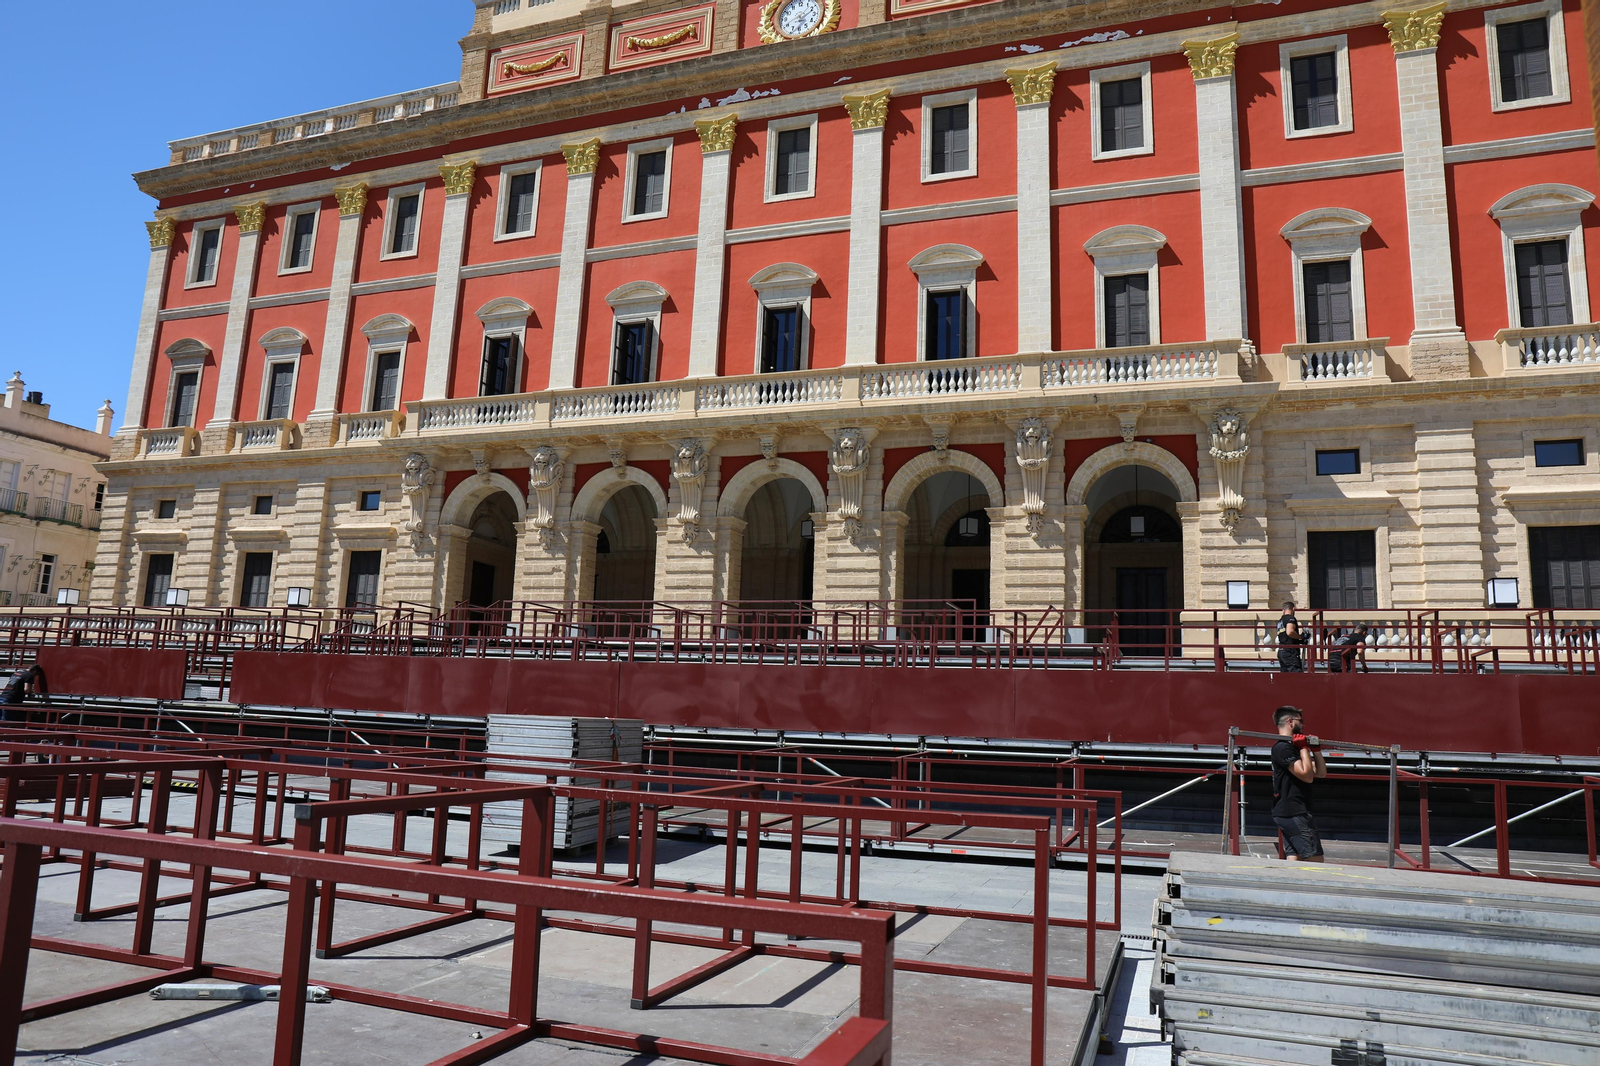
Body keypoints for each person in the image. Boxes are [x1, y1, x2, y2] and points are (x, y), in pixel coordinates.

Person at [1270, 705, 1327, 861]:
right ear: (1290, 721)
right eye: (1300, 721)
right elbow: (1306, 776)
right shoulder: (1282, 748)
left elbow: (1320, 773)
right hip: (1293, 811)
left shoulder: (1292, 747)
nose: (1303, 725)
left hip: (1290, 811)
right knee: (1315, 859)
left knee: (1294, 856)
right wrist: (1303, 749)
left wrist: (1315, 751)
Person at [1275, 601, 1308, 672]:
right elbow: (1290, 632)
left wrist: (1299, 640)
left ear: (1283, 610)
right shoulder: (1291, 618)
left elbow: (1286, 637)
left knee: (1286, 677)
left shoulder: (1280, 621)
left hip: (1281, 651)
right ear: (1293, 609)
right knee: (1296, 675)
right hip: (1290, 651)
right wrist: (1301, 637)